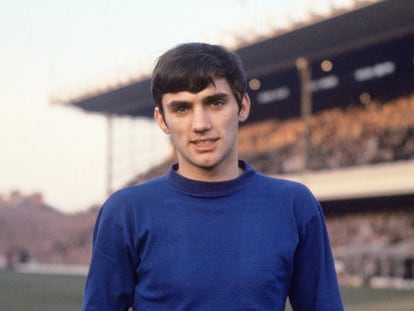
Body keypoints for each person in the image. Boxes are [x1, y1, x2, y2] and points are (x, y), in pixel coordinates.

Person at [82, 42, 344, 311]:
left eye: (215, 103)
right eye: (181, 108)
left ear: (242, 106)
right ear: (161, 120)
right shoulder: (126, 211)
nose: (201, 124)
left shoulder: (294, 205)